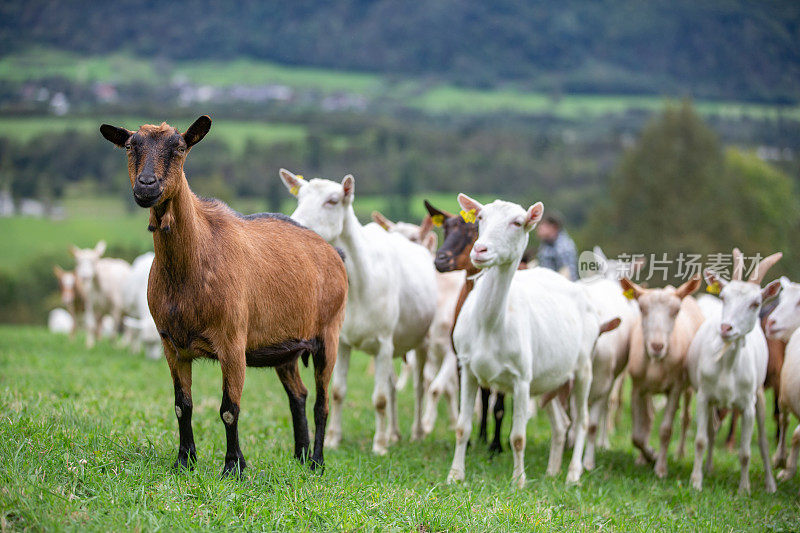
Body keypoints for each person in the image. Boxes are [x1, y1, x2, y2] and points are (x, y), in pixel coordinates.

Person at [536, 212, 578, 280]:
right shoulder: (545, 244)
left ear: (553, 227)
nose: (539, 228)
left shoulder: (564, 247)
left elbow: (568, 276)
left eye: (542, 225)